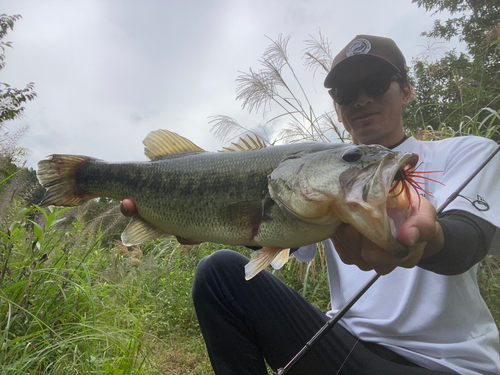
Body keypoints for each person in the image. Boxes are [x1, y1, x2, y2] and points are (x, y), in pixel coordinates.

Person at [121, 35, 500, 374]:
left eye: (375, 83)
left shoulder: (468, 153)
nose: (362, 98)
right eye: (346, 91)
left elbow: (470, 240)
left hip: (447, 363)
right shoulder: (318, 172)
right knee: (218, 272)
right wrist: (197, 221)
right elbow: (271, 233)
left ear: (405, 91)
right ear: (337, 107)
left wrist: (428, 240)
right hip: (342, 349)